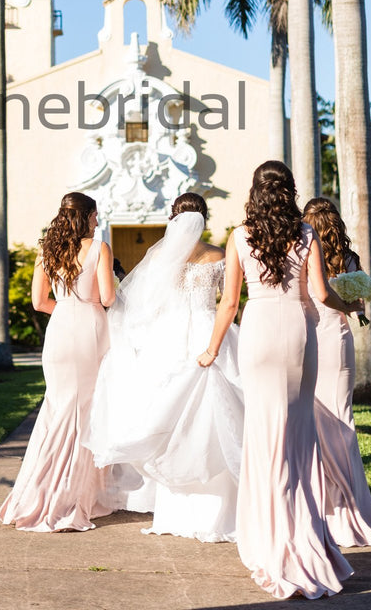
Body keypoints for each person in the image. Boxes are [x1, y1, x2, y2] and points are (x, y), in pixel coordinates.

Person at [198, 161, 358, 599]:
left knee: (265, 432)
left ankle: (268, 535)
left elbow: (229, 303)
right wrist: (354, 306)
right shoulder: (306, 234)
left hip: (260, 332)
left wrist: (211, 350)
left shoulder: (238, 236)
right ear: (288, 191)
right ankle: (302, 533)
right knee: (298, 432)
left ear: (255, 191)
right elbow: (322, 295)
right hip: (297, 333)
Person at [88, 192, 244, 541]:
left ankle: (176, 510)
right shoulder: (218, 254)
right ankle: (220, 510)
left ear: (173, 218)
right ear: (204, 217)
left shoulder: (159, 254)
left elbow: (146, 303)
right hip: (208, 331)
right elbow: (228, 301)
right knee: (215, 416)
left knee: (169, 416)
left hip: (169, 337)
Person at [0, 191, 116, 531]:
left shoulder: (47, 250)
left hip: (59, 330)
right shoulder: (100, 248)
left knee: (58, 408)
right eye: (95, 215)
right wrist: (97, 301)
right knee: (83, 411)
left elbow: (38, 302)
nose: (97, 220)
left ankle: (38, 490)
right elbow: (107, 297)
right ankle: (65, 495)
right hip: (90, 329)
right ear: (86, 216)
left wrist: (66, 307)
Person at [303, 197, 371, 547]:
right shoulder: (347, 259)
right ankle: (343, 507)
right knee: (341, 421)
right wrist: (355, 307)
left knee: (316, 423)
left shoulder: (302, 256)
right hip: (336, 343)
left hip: (310, 340)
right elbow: (357, 306)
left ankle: (329, 508)